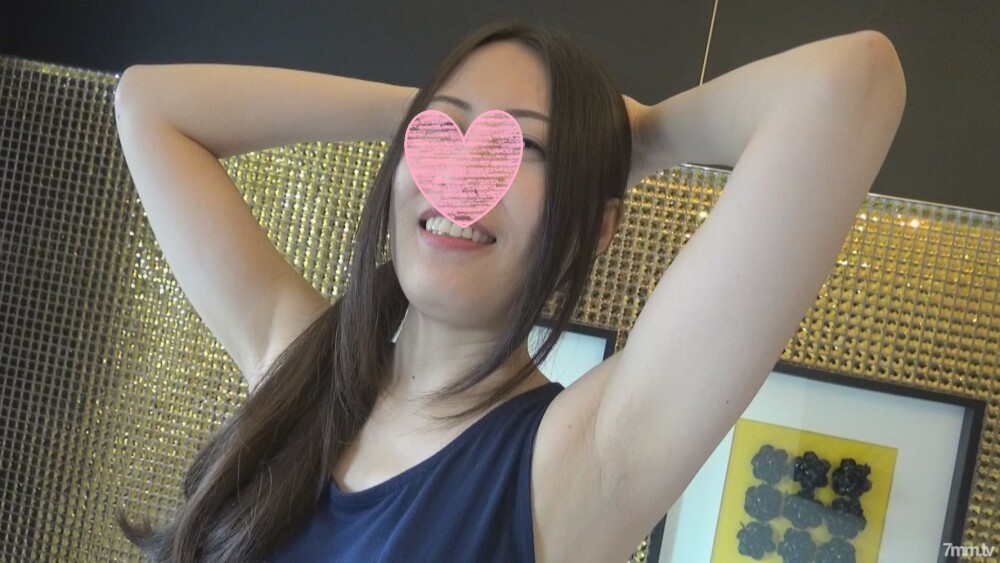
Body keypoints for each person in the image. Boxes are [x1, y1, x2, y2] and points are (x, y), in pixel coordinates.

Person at [113, 19, 905, 563]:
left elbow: (853, 80)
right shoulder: (302, 369)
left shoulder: (573, 464)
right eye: (445, 134)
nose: (465, 177)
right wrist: (420, 113)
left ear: (595, 226)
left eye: (522, 147)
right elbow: (149, 105)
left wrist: (629, 139)